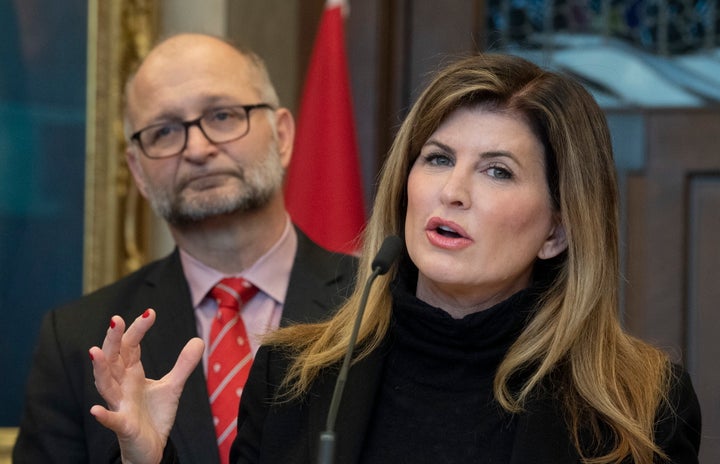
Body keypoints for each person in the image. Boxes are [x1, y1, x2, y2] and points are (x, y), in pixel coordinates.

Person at [89, 53, 702, 464]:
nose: (451, 191)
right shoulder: (295, 377)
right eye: (437, 158)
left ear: (557, 232)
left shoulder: (640, 404)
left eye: (497, 170)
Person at [13, 33, 357, 464]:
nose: (198, 148)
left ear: (282, 135)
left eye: (223, 115)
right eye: (165, 131)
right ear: (137, 171)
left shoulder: (376, 304)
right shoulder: (78, 342)